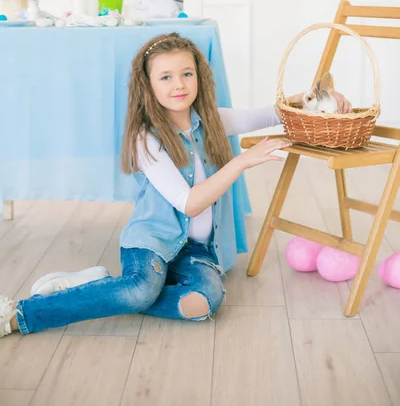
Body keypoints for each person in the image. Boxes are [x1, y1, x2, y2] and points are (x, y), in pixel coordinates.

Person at [0, 32, 351, 337]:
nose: (179, 84)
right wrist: (243, 160)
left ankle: (100, 288)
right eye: (165, 77)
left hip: (195, 251)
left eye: (186, 73)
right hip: (151, 241)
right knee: (140, 291)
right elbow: (189, 203)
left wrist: (313, 99)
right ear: (149, 85)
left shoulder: (213, 121)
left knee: (200, 305)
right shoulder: (146, 138)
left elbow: (269, 113)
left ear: (199, 77)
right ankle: (20, 315)